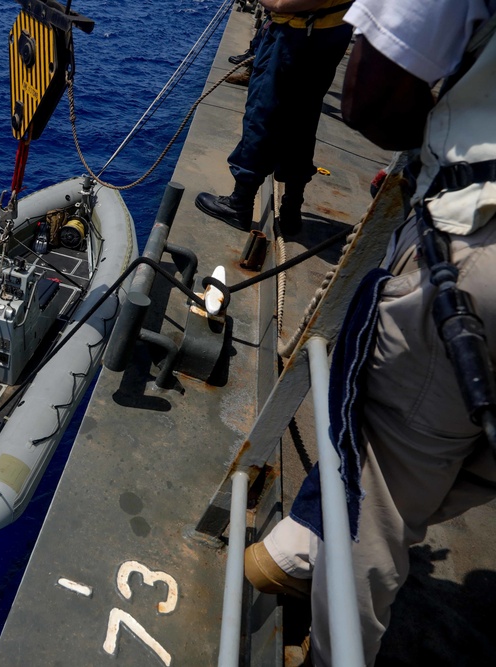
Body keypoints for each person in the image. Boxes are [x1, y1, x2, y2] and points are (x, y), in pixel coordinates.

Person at [245, 2, 496, 664]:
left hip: (479, 242)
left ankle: (334, 650)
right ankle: (300, 547)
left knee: (376, 483)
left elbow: (375, 95)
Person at [195, 0, 354, 235]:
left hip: (298, 34)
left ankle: (240, 203)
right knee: (303, 118)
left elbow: (285, 3)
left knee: (264, 113)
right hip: (328, 30)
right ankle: (291, 207)